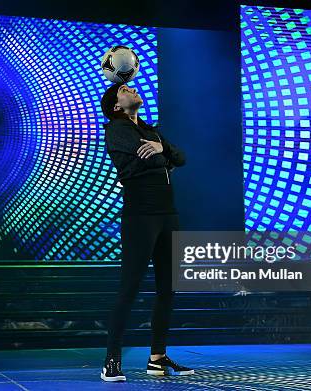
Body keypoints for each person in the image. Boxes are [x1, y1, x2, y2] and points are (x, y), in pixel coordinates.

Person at [99, 83, 194, 382]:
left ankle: (157, 358)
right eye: (125, 89)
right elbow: (156, 161)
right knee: (130, 288)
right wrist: (161, 156)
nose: (132, 89)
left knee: (169, 287)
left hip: (168, 214)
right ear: (117, 105)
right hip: (141, 216)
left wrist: (161, 148)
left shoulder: (152, 131)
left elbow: (180, 158)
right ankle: (111, 361)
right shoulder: (116, 128)